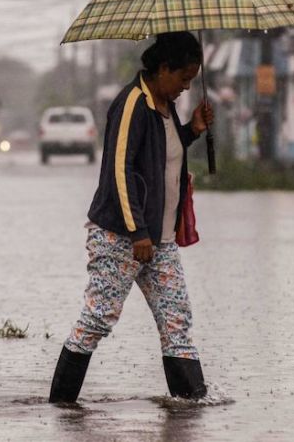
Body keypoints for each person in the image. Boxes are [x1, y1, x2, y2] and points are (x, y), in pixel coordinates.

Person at [49, 31, 214, 403]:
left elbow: (161, 157)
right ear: (162, 68)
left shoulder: (166, 107)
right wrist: (138, 232)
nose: (186, 88)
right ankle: (61, 407)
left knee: (177, 323)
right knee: (97, 320)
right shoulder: (132, 104)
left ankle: (191, 408)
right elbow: (119, 171)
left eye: (191, 80)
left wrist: (192, 132)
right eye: (182, 78)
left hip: (161, 241)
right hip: (120, 237)